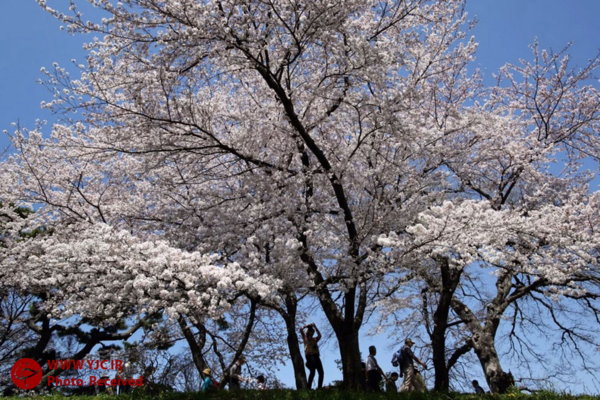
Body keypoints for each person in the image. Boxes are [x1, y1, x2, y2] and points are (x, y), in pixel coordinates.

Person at [300, 323, 324, 389]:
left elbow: (320, 335)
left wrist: (315, 327)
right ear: (308, 332)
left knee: (321, 372)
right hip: (310, 356)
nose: (312, 334)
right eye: (310, 332)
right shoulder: (305, 338)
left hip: (316, 356)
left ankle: (319, 387)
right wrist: (305, 326)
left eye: (312, 332)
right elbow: (301, 329)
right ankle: (309, 387)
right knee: (313, 372)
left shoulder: (314, 339)